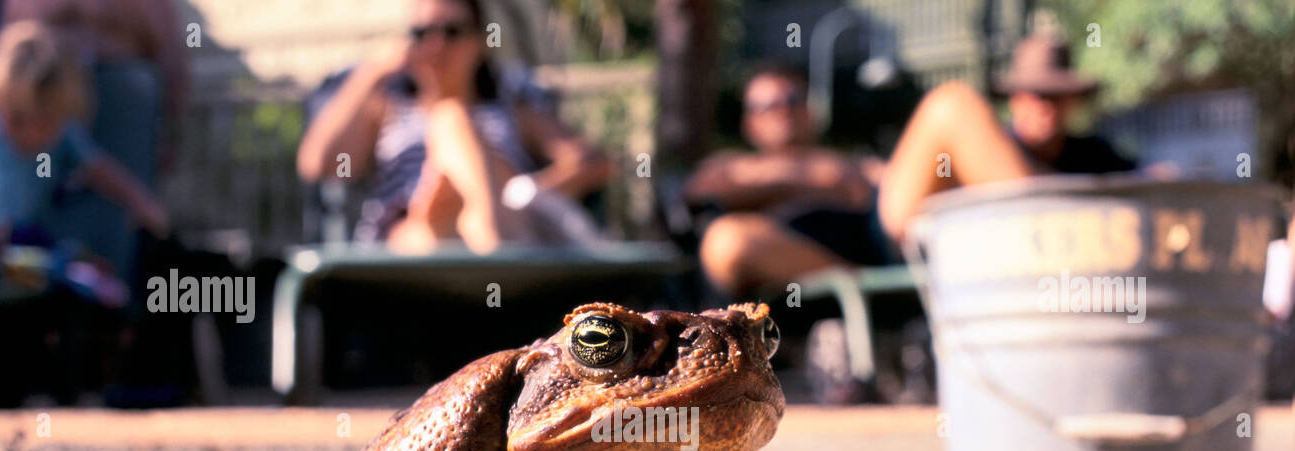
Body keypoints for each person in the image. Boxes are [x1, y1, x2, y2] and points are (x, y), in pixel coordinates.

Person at [296, 0, 611, 253]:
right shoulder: (386, 110)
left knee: (452, 118)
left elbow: (593, 162)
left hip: (506, 222)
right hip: (413, 237)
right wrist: (372, 74)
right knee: (448, 138)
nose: (436, 46)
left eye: (452, 31)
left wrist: (520, 193)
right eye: (421, 33)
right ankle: (486, 238)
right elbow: (317, 163)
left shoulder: (514, 110)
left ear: (480, 41)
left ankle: (486, 225)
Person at [878, 31, 1135, 244]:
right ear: (1015, 100)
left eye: (1054, 95)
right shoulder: (985, 153)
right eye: (1035, 95)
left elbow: (1143, 182)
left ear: (1071, 101)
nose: (1043, 107)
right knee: (951, 102)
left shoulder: (1093, 155)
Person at [685, 62, 891, 297]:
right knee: (727, 240)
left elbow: (895, 185)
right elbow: (699, 190)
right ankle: (862, 290)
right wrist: (818, 176)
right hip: (778, 284)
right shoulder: (730, 165)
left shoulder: (855, 163)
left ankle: (871, 291)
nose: (782, 111)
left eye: (793, 99)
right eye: (767, 105)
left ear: (810, 111)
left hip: (855, 255)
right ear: (748, 123)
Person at [0, 20, 168, 245]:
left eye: (51, 122)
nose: (40, 133)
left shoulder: (63, 135)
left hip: (27, 250)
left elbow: (99, 168)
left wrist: (143, 204)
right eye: (19, 119)